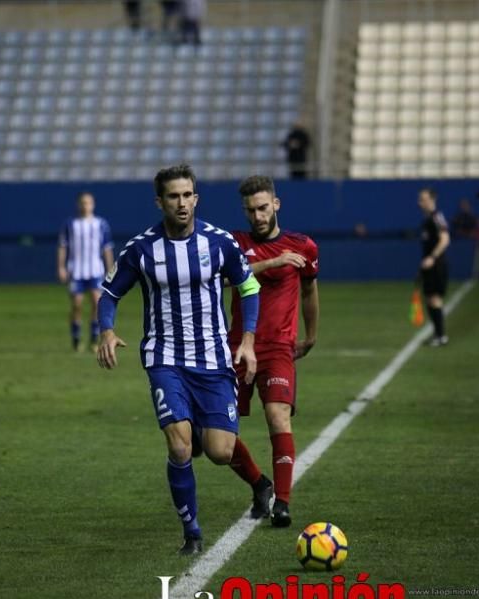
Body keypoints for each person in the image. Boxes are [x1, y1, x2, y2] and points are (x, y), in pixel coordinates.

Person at [95, 164, 261, 555]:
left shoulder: (219, 243)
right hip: (164, 357)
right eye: (173, 196)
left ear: (196, 198)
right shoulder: (141, 249)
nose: (182, 203)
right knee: (181, 448)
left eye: (187, 195)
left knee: (221, 451)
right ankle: (192, 531)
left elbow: (248, 286)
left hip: (213, 357)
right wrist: (106, 329)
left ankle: (220, 446)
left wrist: (249, 339)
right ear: (160, 201)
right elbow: (109, 292)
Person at [226, 175, 319, 528]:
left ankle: (282, 502)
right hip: (237, 347)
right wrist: (270, 263)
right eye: (251, 210)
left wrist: (311, 335)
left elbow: (310, 291)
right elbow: (223, 278)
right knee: (216, 435)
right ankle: (258, 483)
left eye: (263, 207)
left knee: (278, 416)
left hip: (279, 346)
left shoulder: (303, 246)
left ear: (276, 204)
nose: (258, 216)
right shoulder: (235, 243)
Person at [58, 192, 115, 352]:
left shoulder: (101, 224)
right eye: (83, 203)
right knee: (77, 305)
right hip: (76, 271)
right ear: (78, 205)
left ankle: (93, 340)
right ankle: (76, 339)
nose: (85, 206)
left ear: (93, 204)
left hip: (95, 270)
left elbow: (107, 249)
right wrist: (61, 267)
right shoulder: (70, 224)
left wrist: (110, 270)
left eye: (88, 203)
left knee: (97, 303)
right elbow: (63, 246)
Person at [417, 188, 451, 346]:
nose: (420, 202)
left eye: (423, 199)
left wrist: (432, 257)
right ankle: (438, 334)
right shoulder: (428, 219)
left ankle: (440, 335)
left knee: (435, 298)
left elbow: (445, 239)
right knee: (430, 298)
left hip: (437, 265)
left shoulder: (437, 217)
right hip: (430, 265)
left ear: (432, 200)